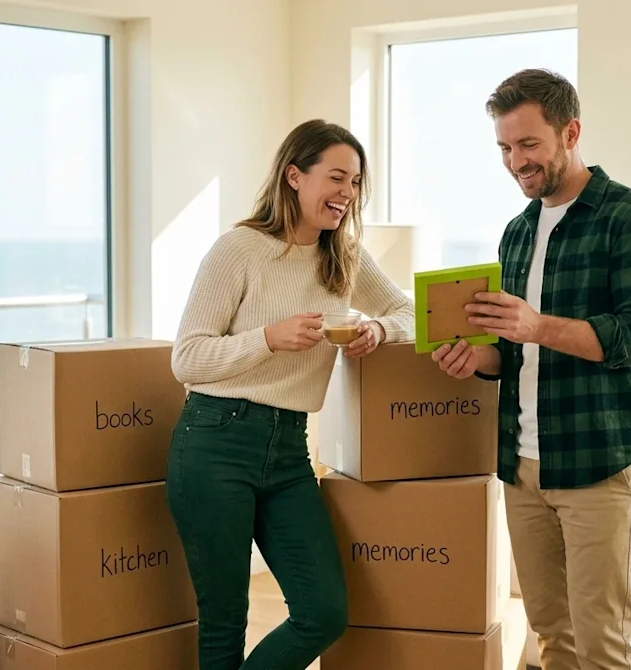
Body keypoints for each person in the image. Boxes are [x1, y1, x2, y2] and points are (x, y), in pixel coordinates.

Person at [432, 68, 631, 670]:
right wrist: (478, 358)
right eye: (505, 148)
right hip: (523, 466)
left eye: (529, 144)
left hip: (599, 460)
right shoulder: (516, 234)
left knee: (602, 643)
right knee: (550, 638)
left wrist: (536, 324)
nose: (516, 161)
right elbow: (513, 349)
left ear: (571, 131)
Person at [167, 119, 414, 670]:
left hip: (288, 453)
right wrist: (268, 339)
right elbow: (187, 357)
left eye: (355, 182)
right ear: (294, 176)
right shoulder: (238, 249)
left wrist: (379, 329)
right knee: (224, 620)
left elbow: (408, 311)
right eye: (336, 178)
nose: (347, 195)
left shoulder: (344, 256)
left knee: (323, 612)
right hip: (214, 443)